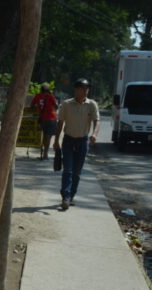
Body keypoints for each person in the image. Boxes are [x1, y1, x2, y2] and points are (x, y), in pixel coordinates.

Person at [53, 78, 99, 210]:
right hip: (68, 140)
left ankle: (71, 195)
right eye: (82, 88)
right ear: (76, 90)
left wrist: (94, 134)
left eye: (87, 89)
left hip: (82, 142)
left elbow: (97, 121)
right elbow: (60, 123)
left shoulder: (92, 104)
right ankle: (65, 197)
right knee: (67, 170)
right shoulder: (66, 104)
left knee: (77, 172)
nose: (85, 91)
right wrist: (56, 141)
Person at [31, 82, 58, 159]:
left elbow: (32, 106)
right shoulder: (51, 96)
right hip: (52, 119)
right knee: (48, 137)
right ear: (48, 89)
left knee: (43, 136)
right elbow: (56, 106)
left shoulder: (37, 96)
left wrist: (38, 111)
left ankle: (43, 153)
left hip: (42, 119)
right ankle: (45, 154)